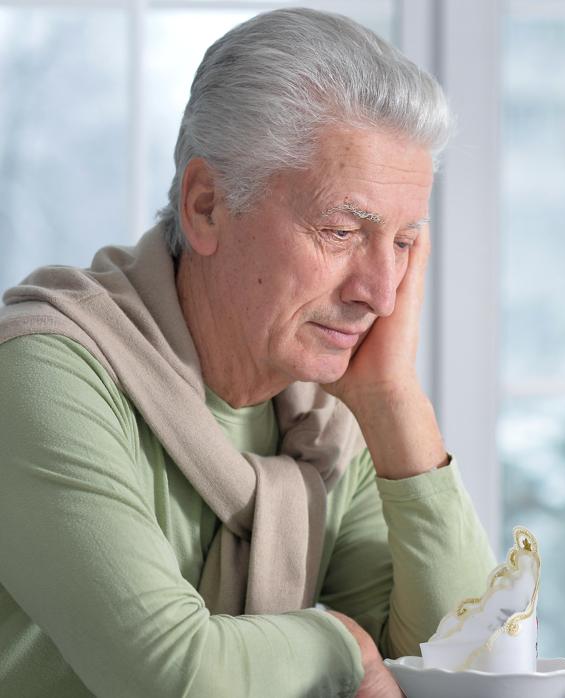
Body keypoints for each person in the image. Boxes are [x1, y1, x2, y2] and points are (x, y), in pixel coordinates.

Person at [0, 8, 495, 696]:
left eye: (405, 243)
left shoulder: (322, 417)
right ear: (207, 206)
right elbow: (170, 677)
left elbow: (470, 669)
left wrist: (393, 400)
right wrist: (345, 645)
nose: (382, 294)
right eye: (343, 230)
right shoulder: (40, 374)